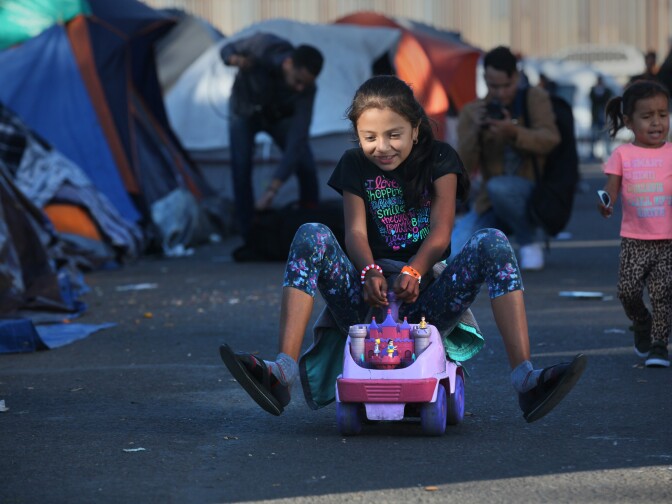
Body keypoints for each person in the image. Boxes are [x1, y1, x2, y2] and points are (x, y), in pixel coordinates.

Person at [218, 75, 586, 423]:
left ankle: (525, 379)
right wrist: (369, 270)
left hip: (427, 304)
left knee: (493, 242)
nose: (382, 147)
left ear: (415, 127)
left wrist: (415, 269)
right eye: (369, 137)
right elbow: (355, 234)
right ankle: (282, 372)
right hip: (367, 302)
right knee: (310, 233)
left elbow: (441, 233)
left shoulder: (441, 159)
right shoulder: (353, 165)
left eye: (394, 134)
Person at [452, 46, 561, 271]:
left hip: (530, 193)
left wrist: (513, 132)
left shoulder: (534, 99)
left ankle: (527, 241)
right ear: (484, 79)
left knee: (499, 187)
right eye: (493, 86)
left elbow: (550, 139)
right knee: (454, 254)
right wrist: (475, 131)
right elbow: (462, 167)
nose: (500, 93)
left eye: (506, 86)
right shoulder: (473, 112)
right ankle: (494, 246)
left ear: (517, 77)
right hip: (489, 201)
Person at [220, 33, 324, 239]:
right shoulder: (263, 46)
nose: (300, 88)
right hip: (244, 111)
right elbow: (226, 49)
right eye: (298, 81)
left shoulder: (307, 89)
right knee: (241, 166)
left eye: (305, 85)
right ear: (287, 63)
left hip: (277, 117)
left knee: (305, 162)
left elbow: (297, 137)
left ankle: (312, 231)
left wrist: (272, 189)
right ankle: (249, 234)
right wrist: (235, 59)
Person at [598, 80, 672, 368]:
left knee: (663, 293)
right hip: (634, 238)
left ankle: (658, 345)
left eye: (663, 115)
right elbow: (611, 189)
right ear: (628, 121)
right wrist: (606, 203)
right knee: (627, 292)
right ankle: (642, 322)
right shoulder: (622, 155)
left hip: (667, 239)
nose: (656, 123)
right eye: (647, 116)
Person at [589, 75, 615, 161]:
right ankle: (592, 153)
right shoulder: (593, 91)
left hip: (604, 117)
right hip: (596, 117)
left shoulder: (607, 91)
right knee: (594, 136)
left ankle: (607, 153)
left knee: (606, 137)